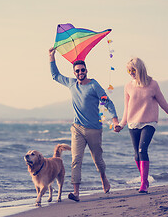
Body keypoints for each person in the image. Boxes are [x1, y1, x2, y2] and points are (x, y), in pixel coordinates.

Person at [49, 47, 119, 202]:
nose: (80, 73)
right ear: (74, 72)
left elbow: (108, 102)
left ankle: (103, 178)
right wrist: (51, 57)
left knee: (98, 160)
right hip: (77, 129)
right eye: (77, 71)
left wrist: (115, 121)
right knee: (76, 159)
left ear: (86, 70)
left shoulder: (94, 85)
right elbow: (55, 75)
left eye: (82, 70)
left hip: (94, 129)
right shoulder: (71, 83)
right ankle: (76, 193)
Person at [114, 57, 168, 194]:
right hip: (133, 123)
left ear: (140, 69)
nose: (131, 72)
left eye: (133, 70)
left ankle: (143, 183)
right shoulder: (128, 86)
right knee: (136, 154)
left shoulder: (153, 84)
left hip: (149, 122)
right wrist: (121, 124)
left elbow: (163, 102)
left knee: (142, 150)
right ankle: (145, 179)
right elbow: (127, 108)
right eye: (128, 70)